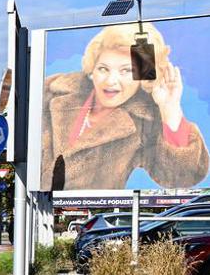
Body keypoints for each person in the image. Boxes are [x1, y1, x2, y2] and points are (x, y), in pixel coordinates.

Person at [42, 22, 208, 190]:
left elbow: (182, 176)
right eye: (103, 69)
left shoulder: (144, 122)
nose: (111, 81)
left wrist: (170, 108)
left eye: (126, 71)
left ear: (141, 77)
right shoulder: (52, 89)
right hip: (30, 204)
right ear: (92, 67)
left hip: (92, 210)